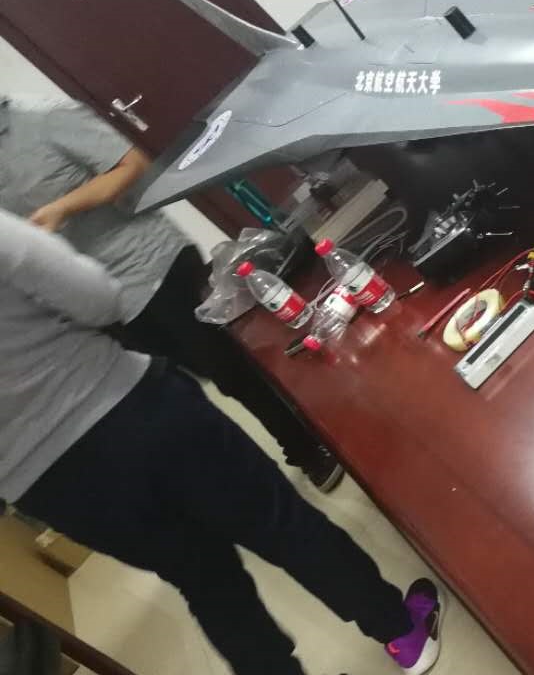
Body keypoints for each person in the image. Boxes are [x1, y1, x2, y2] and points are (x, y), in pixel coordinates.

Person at [0, 207, 442, 675]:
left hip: (50, 486)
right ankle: (401, 630)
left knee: (203, 580)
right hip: (131, 409)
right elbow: (99, 299)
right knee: (279, 523)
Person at [0, 95, 342, 491]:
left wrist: (63, 208)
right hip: (96, 301)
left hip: (151, 263)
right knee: (176, 396)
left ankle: (306, 445)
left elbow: (133, 164)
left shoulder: (47, 122)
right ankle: (244, 480)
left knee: (229, 369)